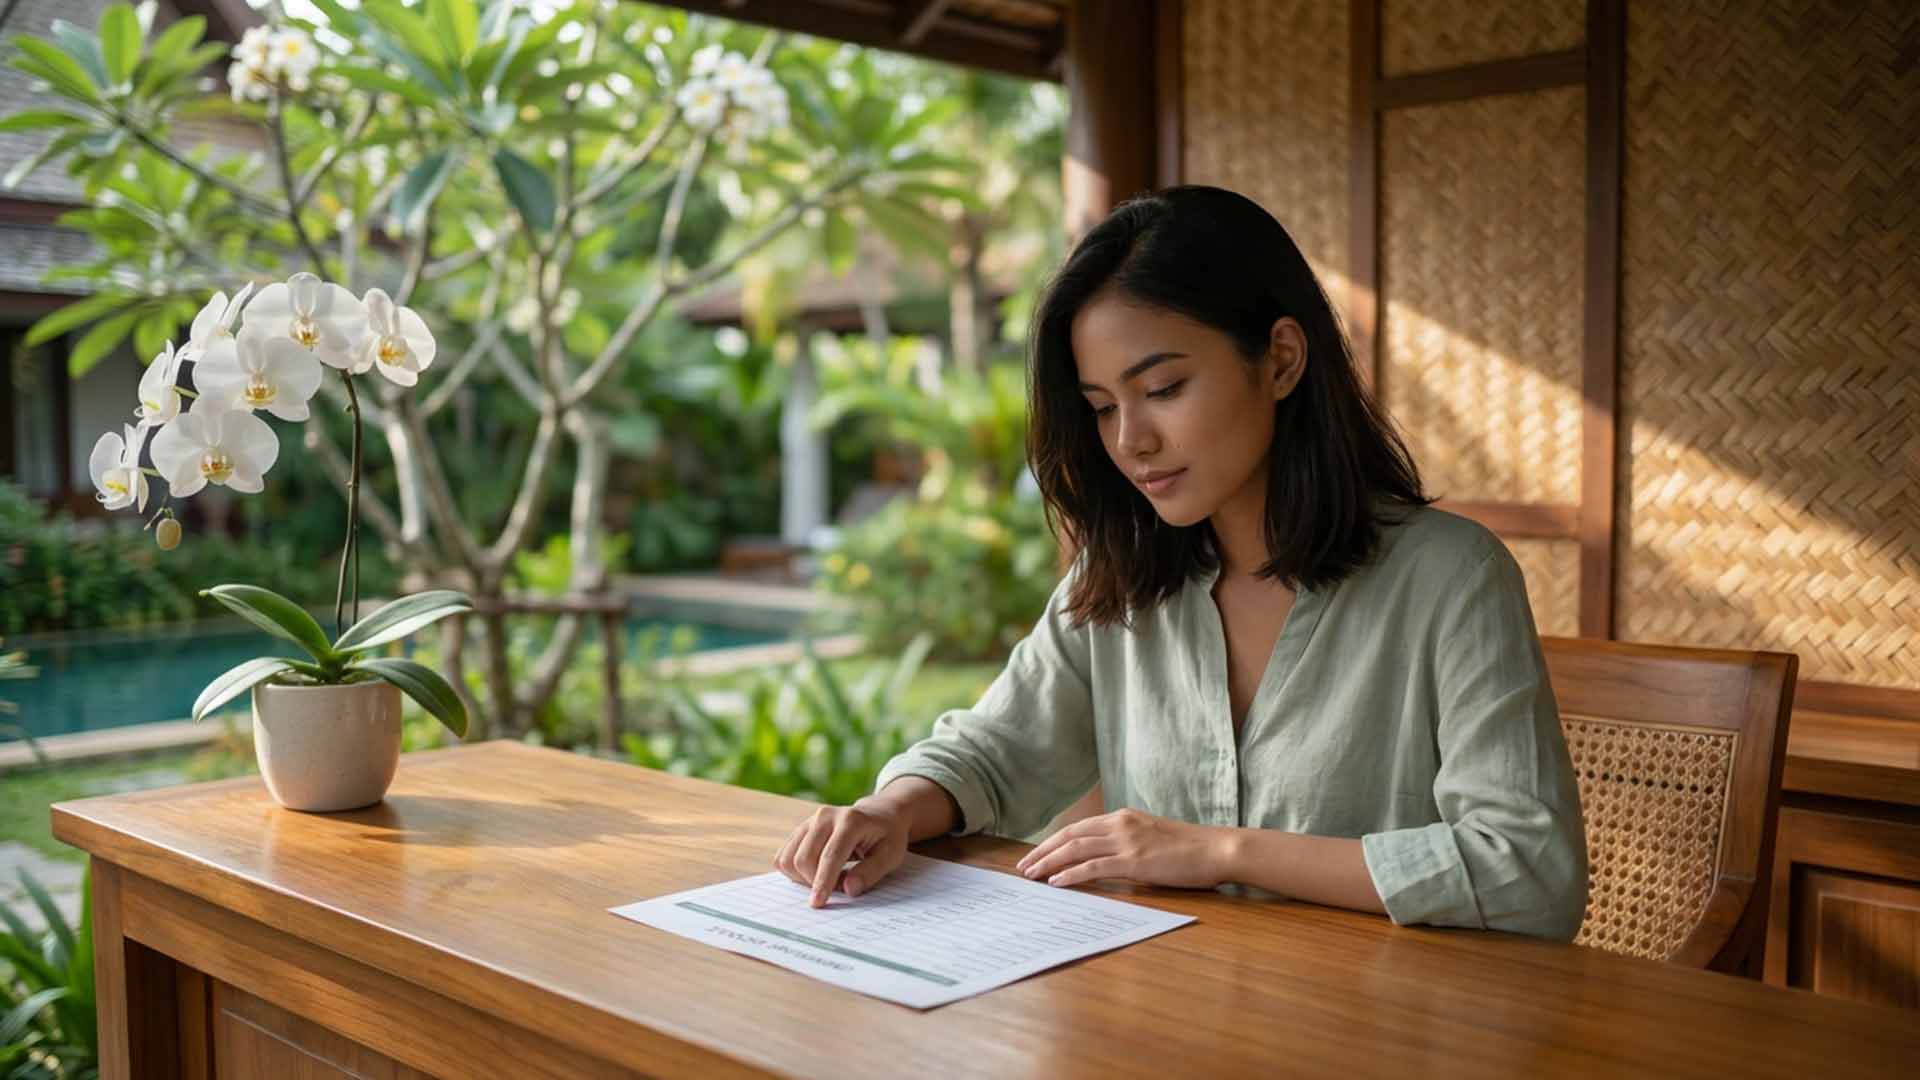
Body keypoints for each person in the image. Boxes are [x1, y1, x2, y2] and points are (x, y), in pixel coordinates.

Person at [773, 185, 1588, 940]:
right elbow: (996, 751)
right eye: (1101, 408)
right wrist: (889, 809)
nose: (1131, 440)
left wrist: (1222, 852)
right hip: (1163, 1020)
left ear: (1281, 360)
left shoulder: (1451, 578)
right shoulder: (1119, 578)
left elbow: (1529, 869)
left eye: (1162, 388)